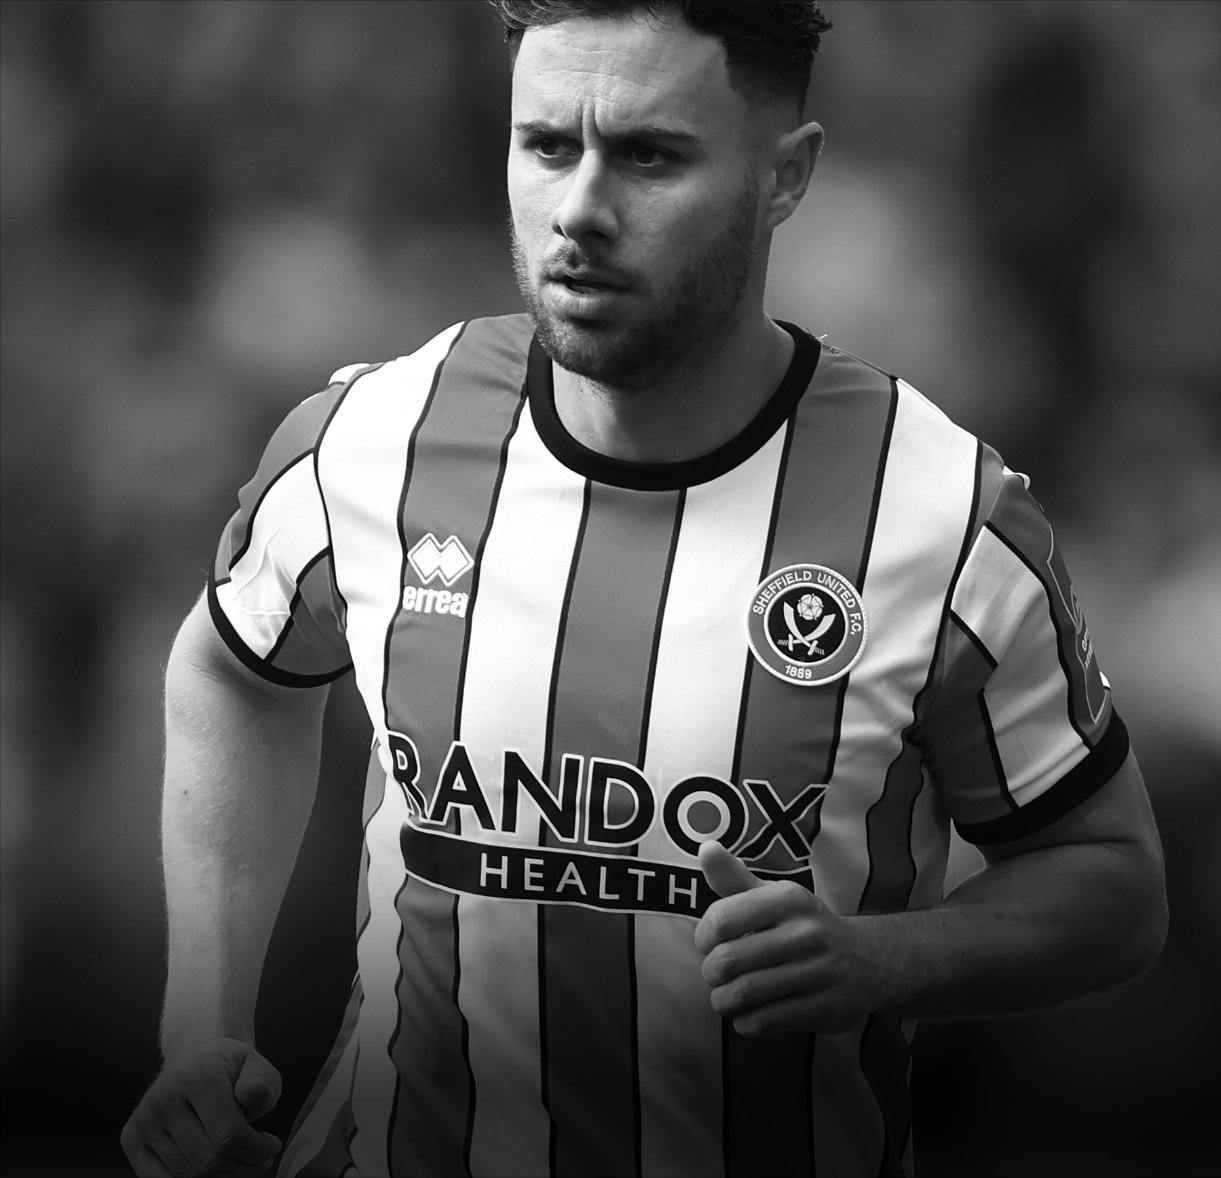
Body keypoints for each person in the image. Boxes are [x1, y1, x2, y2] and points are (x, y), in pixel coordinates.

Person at [121, 2, 1168, 1176]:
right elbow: (231, 668)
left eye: (650, 155)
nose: (579, 207)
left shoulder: (940, 515)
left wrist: (880, 959)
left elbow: (1114, 883)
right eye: (545, 145)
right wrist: (201, 1022)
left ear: (785, 177)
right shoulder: (373, 442)